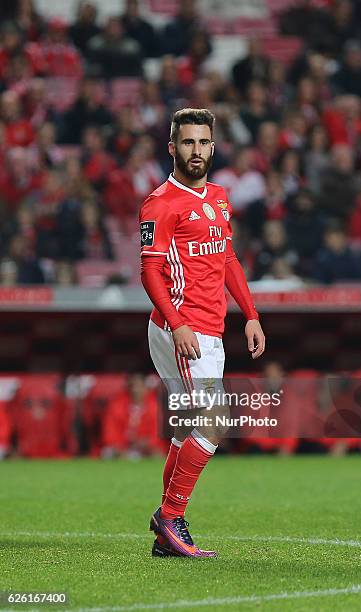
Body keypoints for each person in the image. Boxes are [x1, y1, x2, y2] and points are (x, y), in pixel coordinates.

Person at [139, 108, 265, 558]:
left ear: (213, 146)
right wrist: (179, 324)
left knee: (187, 428)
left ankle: (167, 532)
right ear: (172, 148)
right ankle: (170, 516)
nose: (197, 151)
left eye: (203, 142)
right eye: (188, 143)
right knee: (213, 424)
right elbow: (150, 271)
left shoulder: (219, 195)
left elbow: (226, 258)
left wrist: (250, 312)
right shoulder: (161, 202)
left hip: (208, 328)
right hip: (183, 330)